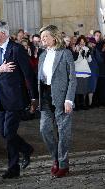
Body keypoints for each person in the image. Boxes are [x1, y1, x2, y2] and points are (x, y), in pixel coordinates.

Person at [0, 20, 38, 179]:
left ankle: (13, 168)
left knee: (9, 132)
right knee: (4, 133)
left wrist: (34, 98)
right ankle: (26, 149)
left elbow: (29, 74)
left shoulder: (16, 49)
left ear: (3, 33)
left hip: (15, 98)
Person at [38, 25, 77, 178]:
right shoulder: (42, 55)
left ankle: (63, 164)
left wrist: (69, 100)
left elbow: (72, 79)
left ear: (54, 37)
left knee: (63, 131)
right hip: (46, 97)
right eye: (41, 38)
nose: (42, 40)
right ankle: (55, 158)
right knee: (44, 129)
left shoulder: (65, 53)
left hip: (62, 98)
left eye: (45, 37)